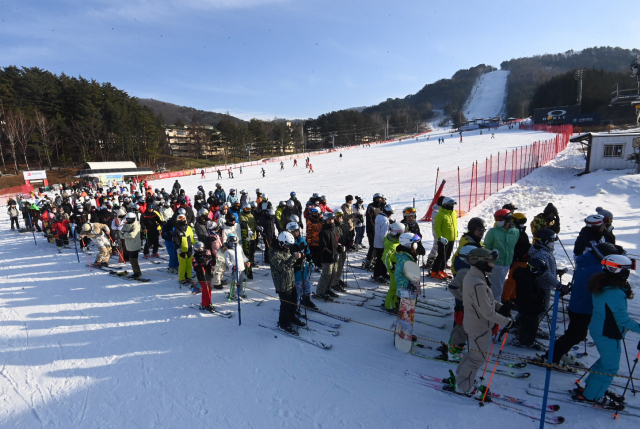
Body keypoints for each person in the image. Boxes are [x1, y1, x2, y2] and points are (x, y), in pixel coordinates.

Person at [574, 254, 640, 409]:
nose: (628, 273)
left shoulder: (605, 283)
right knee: (610, 367)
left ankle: (592, 388)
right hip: (608, 332)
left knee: (605, 361)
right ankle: (592, 395)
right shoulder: (613, 292)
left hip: (601, 328)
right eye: (626, 270)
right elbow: (623, 320)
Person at [444, 248, 512, 397]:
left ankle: (461, 378)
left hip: (474, 323)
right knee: (477, 358)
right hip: (479, 326)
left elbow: (484, 301)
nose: (492, 265)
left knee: (473, 354)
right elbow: (487, 312)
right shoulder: (478, 283)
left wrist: (501, 307)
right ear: (481, 263)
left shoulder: (473, 276)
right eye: (490, 261)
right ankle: (463, 386)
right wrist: (507, 322)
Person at [544, 242, 626, 365]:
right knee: (575, 335)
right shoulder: (596, 269)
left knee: (574, 333)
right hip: (583, 307)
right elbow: (603, 288)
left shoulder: (586, 261)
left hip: (578, 304)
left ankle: (557, 353)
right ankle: (551, 357)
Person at [270, 231, 304, 334]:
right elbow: (282, 267)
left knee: (294, 301)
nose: (289, 247)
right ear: (281, 243)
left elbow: (290, 260)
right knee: (286, 304)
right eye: (287, 245)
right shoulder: (274, 253)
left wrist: (299, 259)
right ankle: (283, 322)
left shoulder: (285, 249)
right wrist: (294, 258)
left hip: (290, 280)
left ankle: (291, 316)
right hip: (282, 284)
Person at [483, 209, 519, 300]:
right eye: (496, 219)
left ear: (508, 219)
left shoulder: (515, 232)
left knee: (500, 284)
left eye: (500, 219)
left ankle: (494, 304)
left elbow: (513, 246)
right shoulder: (493, 232)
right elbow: (487, 246)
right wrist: (489, 260)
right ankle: (496, 307)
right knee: (496, 288)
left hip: (507, 263)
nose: (498, 221)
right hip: (496, 263)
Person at [512, 258, 548, 349]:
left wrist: (540, 293)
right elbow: (526, 293)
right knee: (530, 324)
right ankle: (526, 341)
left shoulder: (529, 276)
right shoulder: (526, 278)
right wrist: (538, 299)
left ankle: (528, 340)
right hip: (529, 306)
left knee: (530, 323)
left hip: (530, 306)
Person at [528, 229, 559, 324]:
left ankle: (526, 324)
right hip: (543, 286)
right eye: (551, 241)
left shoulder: (544, 251)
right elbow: (545, 274)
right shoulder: (542, 254)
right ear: (544, 240)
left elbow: (547, 268)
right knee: (541, 309)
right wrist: (558, 285)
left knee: (533, 307)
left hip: (542, 285)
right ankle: (529, 326)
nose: (553, 243)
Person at [501, 213, 530, 303]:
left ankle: (513, 296)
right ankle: (505, 299)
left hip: (523, 259)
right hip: (517, 259)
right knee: (512, 279)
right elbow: (512, 246)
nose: (523, 223)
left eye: (524, 221)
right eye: (521, 221)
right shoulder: (513, 232)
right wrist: (521, 254)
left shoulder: (521, 231)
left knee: (518, 279)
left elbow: (525, 244)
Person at [382, 222, 407, 313]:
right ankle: (389, 306)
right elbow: (385, 258)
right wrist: (391, 267)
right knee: (394, 288)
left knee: (398, 287)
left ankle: (395, 301)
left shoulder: (395, 241)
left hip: (398, 266)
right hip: (394, 268)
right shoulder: (392, 245)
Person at [315, 212, 340, 300]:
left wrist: (339, 248)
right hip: (327, 257)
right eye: (329, 219)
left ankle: (327, 289)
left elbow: (336, 242)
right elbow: (323, 247)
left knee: (333, 274)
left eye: (332, 219)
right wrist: (332, 254)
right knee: (326, 275)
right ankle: (320, 292)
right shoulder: (323, 232)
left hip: (334, 256)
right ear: (326, 220)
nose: (331, 221)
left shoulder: (334, 229)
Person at [431, 197, 458, 280]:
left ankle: (441, 270)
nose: (452, 206)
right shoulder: (440, 214)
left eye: (453, 205)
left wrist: (456, 232)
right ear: (445, 205)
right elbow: (437, 227)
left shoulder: (453, 213)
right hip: (443, 240)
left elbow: (454, 224)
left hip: (451, 238)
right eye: (450, 205)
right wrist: (440, 237)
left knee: (448, 255)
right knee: (441, 256)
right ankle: (434, 271)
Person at [373, 204, 394, 282]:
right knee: (381, 260)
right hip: (382, 243)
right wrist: (386, 243)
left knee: (382, 259)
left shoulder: (379, 216)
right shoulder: (385, 220)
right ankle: (378, 275)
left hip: (377, 242)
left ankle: (383, 273)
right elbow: (383, 234)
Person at [223, 234, 247, 300]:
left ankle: (241, 292)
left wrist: (247, 261)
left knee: (241, 280)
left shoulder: (239, 247)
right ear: (228, 241)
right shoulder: (227, 251)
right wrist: (232, 267)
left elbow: (243, 255)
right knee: (235, 282)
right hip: (234, 269)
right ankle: (233, 294)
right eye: (231, 241)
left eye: (234, 241)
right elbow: (227, 261)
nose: (233, 243)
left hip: (241, 267)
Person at [174, 213, 195, 285]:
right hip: (181, 250)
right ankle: (182, 278)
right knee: (182, 265)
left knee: (189, 265)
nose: (182, 220)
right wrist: (177, 248)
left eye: (183, 218)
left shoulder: (189, 228)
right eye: (180, 219)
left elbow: (192, 238)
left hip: (189, 249)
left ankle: (188, 276)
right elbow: (175, 241)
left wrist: (195, 245)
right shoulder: (177, 230)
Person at [120, 213, 143, 279]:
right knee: (131, 259)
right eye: (127, 219)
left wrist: (124, 234)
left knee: (133, 259)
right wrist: (125, 234)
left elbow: (132, 235)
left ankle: (137, 273)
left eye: (129, 219)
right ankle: (136, 271)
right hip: (128, 244)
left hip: (134, 245)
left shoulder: (136, 225)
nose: (127, 220)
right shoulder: (126, 225)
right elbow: (120, 233)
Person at [426, 196, 445, 268]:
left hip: (443, 231)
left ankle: (443, 261)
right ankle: (430, 260)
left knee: (443, 247)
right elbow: (437, 223)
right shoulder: (436, 211)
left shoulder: (442, 210)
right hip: (437, 232)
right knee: (436, 246)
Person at [239, 204, 257, 278]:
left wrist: (257, 227)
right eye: (246, 209)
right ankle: (247, 269)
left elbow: (254, 223)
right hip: (247, 237)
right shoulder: (242, 215)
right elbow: (244, 223)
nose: (248, 210)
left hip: (254, 236)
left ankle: (251, 262)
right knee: (247, 254)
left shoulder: (251, 214)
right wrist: (248, 230)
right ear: (243, 209)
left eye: (249, 209)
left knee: (253, 251)